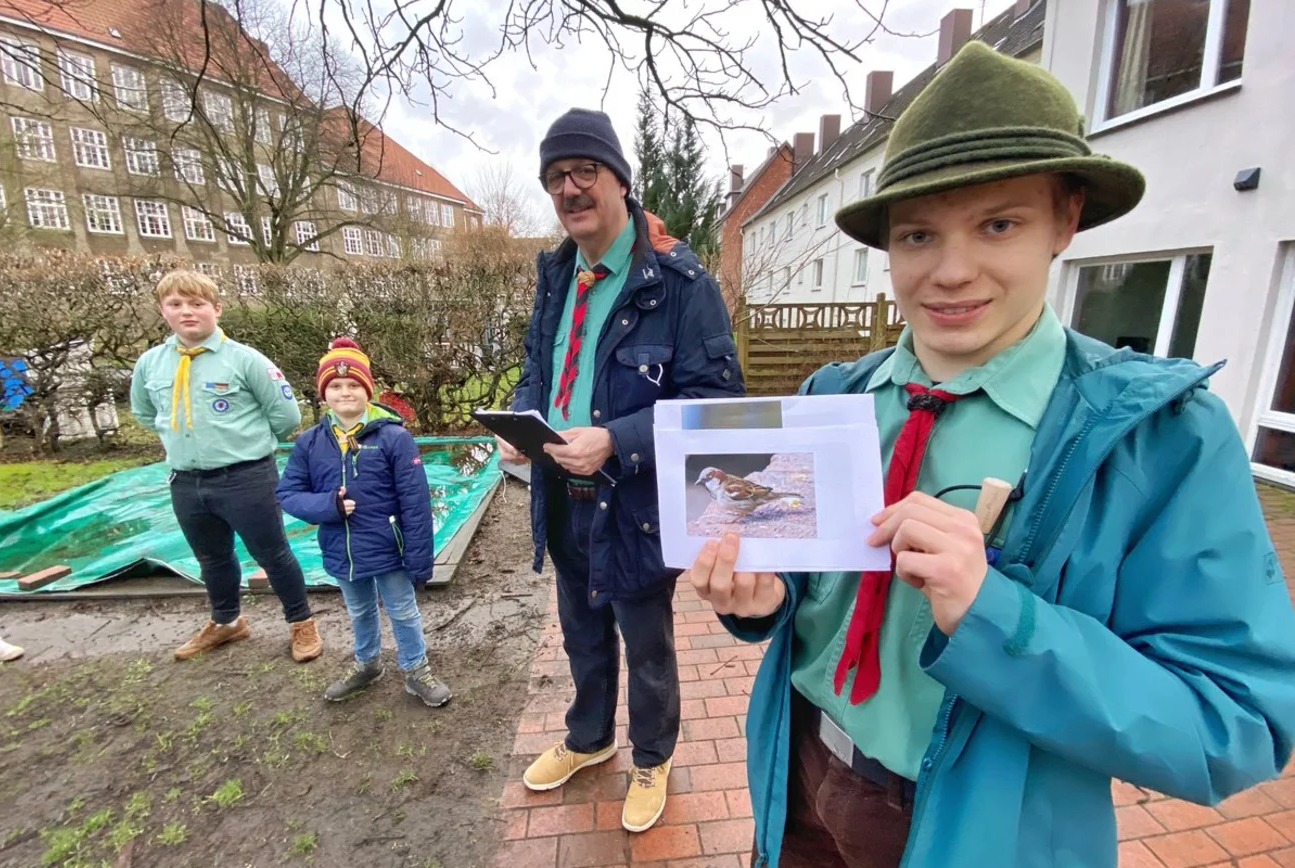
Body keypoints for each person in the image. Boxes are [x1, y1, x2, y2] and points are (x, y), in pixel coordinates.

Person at [685, 42, 1295, 868]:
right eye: (918, 235)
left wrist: (998, 616)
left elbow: (1239, 725)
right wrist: (758, 602)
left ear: (1065, 220)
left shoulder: (1164, 438)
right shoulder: (835, 398)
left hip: (975, 835)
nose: (950, 271)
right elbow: (802, 591)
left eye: (998, 224)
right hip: (796, 779)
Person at [503, 108, 745, 832]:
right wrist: (519, 420)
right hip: (561, 492)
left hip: (634, 499)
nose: (569, 190)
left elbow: (716, 405)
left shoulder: (678, 282)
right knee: (580, 630)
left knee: (646, 642)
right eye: (555, 179)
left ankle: (652, 755)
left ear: (619, 180)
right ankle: (589, 739)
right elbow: (535, 370)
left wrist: (615, 439)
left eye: (584, 173)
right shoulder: (554, 273)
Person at [131, 270, 322, 663]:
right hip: (185, 480)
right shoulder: (151, 364)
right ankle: (226, 621)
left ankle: (301, 622)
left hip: (245, 477)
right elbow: (146, 413)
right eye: (176, 304)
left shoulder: (245, 360)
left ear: (216, 309)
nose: (187, 312)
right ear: (162, 310)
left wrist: (244, 444)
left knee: (273, 554)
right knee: (211, 557)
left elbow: (285, 416)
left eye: (197, 303)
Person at [276, 338, 451, 707]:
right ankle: (367, 663)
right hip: (341, 549)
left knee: (403, 610)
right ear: (324, 393)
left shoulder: (394, 438)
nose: (345, 392)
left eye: (353, 384)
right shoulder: (310, 443)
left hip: (389, 548)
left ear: (367, 390)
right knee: (358, 609)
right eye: (335, 386)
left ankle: (416, 668)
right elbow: (288, 492)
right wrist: (328, 506)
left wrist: (420, 558)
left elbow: (416, 504)